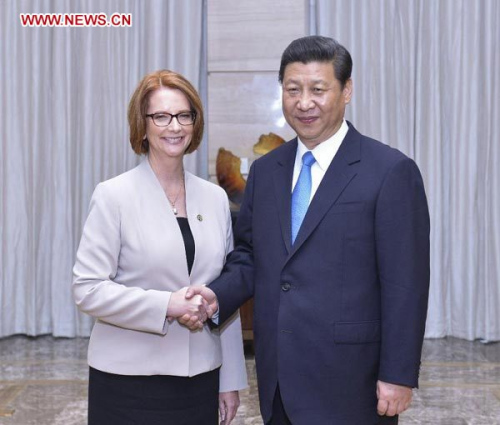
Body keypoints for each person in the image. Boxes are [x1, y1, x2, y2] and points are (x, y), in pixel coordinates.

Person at [183, 36, 430, 424]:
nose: (304, 102)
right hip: (279, 376)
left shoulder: (389, 171)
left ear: (346, 90)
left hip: (354, 381)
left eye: (318, 89)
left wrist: (397, 374)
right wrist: (216, 297)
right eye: (292, 89)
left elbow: (406, 283)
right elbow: (250, 255)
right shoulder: (266, 172)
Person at [73, 69, 247, 425]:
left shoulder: (215, 198)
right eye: (162, 116)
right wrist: (166, 304)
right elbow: (87, 290)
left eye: (185, 115)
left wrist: (229, 380)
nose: (175, 126)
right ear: (143, 124)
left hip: (200, 378)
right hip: (127, 380)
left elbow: (223, 291)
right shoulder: (114, 196)